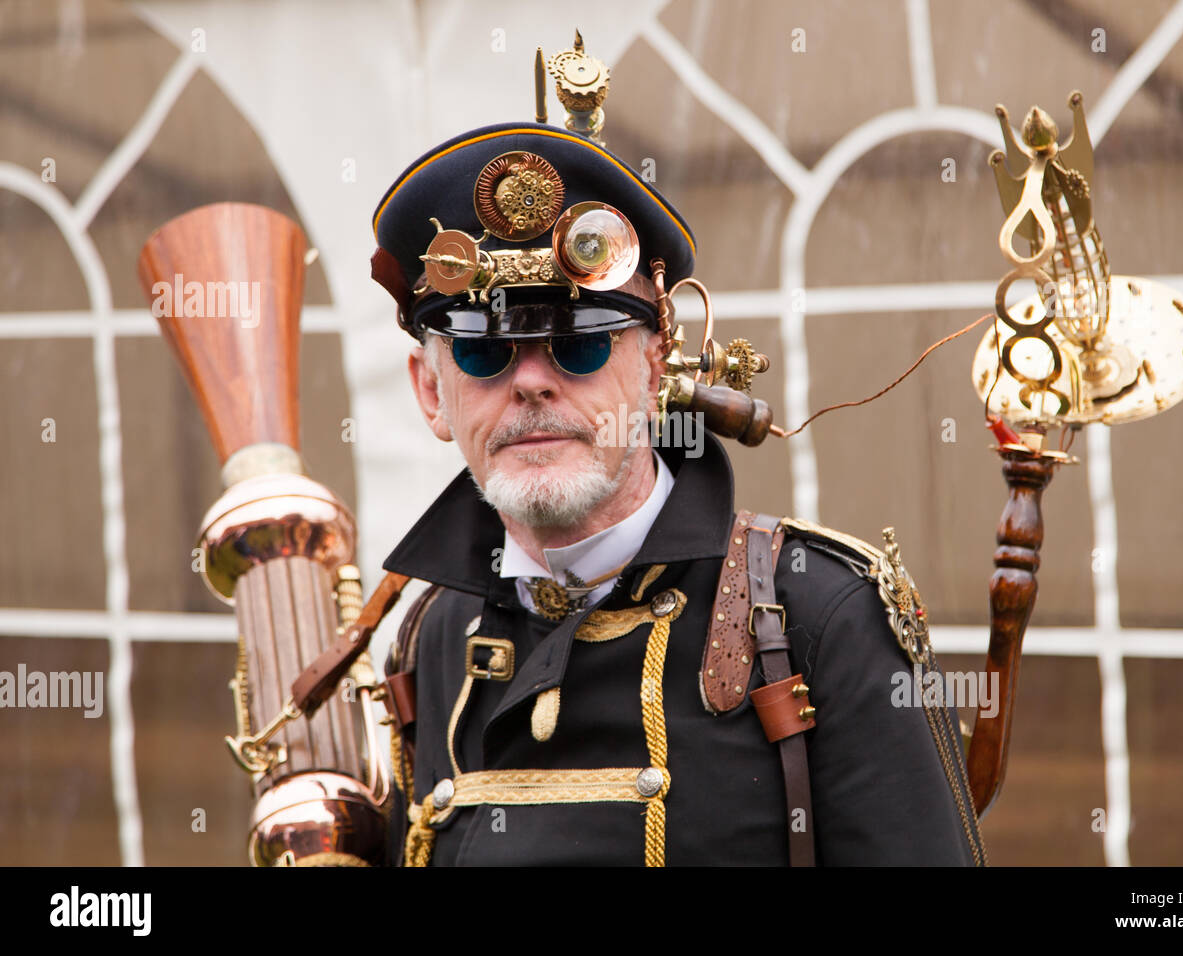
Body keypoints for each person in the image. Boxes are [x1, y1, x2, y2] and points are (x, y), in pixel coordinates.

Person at [368, 118, 985, 866]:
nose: (530, 380)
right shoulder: (432, 631)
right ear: (431, 391)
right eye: (482, 348)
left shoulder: (820, 617)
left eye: (581, 340)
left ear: (658, 364)